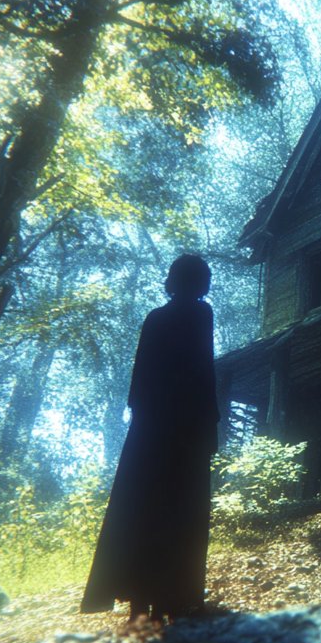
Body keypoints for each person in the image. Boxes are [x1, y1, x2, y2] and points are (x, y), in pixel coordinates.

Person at [81, 255, 219, 620]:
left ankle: (141, 602)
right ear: (199, 283)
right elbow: (203, 372)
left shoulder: (156, 318)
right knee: (181, 509)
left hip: (151, 429)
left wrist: (143, 420)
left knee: (142, 506)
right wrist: (210, 424)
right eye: (203, 279)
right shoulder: (201, 315)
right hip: (184, 430)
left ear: (172, 281)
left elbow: (139, 380)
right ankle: (175, 597)